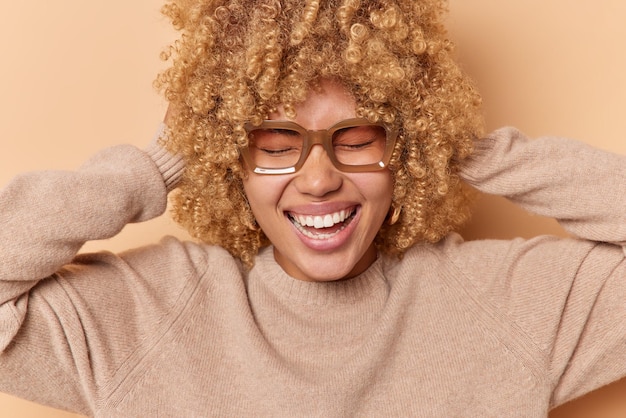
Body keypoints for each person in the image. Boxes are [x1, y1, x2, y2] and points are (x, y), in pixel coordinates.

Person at [1, 0, 625, 416]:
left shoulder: (506, 306)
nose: (318, 178)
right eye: (276, 144)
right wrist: (159, 164)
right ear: (230, 158)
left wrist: (468, 150)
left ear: (403, 151)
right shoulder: (147, 313)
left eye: (358, 140)